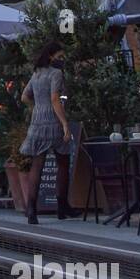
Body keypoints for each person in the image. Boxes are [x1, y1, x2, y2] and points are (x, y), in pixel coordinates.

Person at [20, 41, 81, 225]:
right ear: (51, 56)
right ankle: (62, 207)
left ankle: (31, 209)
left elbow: (24, 96)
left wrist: (37, 108)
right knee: (63, 161)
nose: (62, 60)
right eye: (60, 57)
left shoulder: (37, 74)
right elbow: (56, 99)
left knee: (37, 165)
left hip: (37, 122)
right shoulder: (57, 73)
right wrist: (64, 125)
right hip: (54, 122)